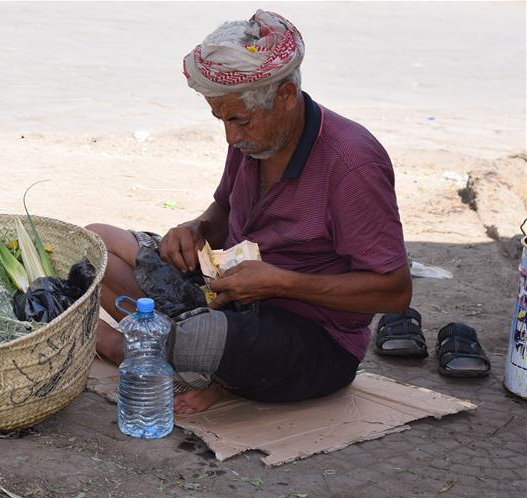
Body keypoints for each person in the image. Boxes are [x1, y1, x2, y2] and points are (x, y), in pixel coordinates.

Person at [88, 9, 412, 415]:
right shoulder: (252, 138)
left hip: (312, 339)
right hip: (229, 294)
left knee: (201, 336)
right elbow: (223, 211)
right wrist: (196, 228)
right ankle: (187, 354)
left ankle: (115, 344)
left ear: (287, 97)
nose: (230, 135)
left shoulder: (352, 164)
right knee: (94, 242)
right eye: (220, 119)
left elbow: (395, 290)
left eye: (238, 119)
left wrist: (280, 284)